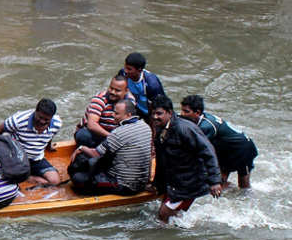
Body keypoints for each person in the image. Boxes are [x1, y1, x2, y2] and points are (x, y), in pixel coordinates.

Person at [152, 95, 222, 223]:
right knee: (172, 215)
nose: (155, 117)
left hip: (190, 183)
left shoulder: (185, 129)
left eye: (159, 113)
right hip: (175, 181)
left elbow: (208, 152)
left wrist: (215, 181)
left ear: (169, 112)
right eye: (153, 113)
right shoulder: (159, 128)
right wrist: (157, 184)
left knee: (163, 215)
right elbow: (161, 160)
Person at [68, 99, 151, 195]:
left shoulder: (118, 132)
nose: (113, 116)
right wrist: (147, 181)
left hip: (123, 186)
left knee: (78, 177)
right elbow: (149, 157)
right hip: (141, 183)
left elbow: (95, 153)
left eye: (116, 114)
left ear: (128, 115)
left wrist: (81, 148)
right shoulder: (146, 126)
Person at [180, 94, 258, 189]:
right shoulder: (199, 119)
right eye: (182, 110)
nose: (182, 114)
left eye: (186, 111)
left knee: (243, 185)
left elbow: (195, 149)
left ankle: (248, 200)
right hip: (226, 151)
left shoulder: (206, 126)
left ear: (197, 113)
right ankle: (229, 193)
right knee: (219, 181)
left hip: (244, 149)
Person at [0, 98, 62, 185]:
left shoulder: (57, 124)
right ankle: (22, 175)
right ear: (35, 111)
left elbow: (50, 136)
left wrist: (49, 147)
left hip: (36, 159)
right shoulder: (18, 120)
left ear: (52, 117)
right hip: (17, 160)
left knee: (55, 181)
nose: (42, 121)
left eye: (46, 120)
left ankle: (25, 177)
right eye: (40, 117)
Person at [75, 75, 134, 147]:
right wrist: (112, 137)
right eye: (111, 88)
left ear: (126, 91)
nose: (113, 92)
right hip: (94, 134)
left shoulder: (130, 101)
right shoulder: (100, 99)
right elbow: (91, 125)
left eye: (117, 90)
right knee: (83, 136)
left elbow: (130, 122)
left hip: (114, 133)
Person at [118, 52, 165, 120]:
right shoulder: (123, 73)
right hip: (134, 108)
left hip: (148, 112)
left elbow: (159, 107)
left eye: (129, 69)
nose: (125, 71)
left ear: (139, 70)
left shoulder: (152, 84)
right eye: (125, 67)